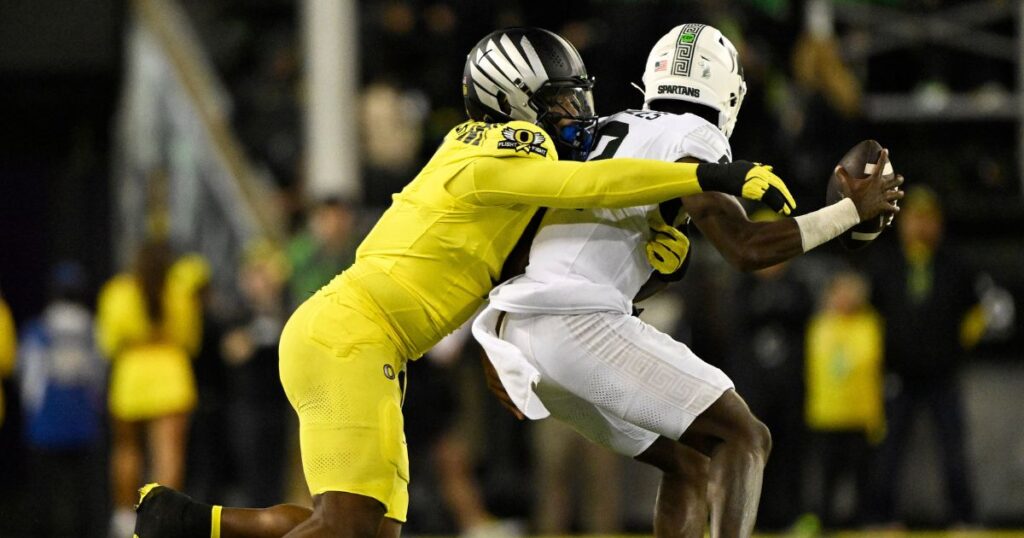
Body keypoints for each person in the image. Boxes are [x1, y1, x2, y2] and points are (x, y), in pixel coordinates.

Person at [134, 26, 798, 538]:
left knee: (364, 527)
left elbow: (535, 259)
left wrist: (655, 246)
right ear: (514, 100)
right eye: (559, 97)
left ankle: (199, 525)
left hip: (353, 338)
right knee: (348, 530)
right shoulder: (503, 148)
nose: (576, 109)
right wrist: (707, 176)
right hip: (354, 337)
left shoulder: (495, 161)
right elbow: (586, 181)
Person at [472, 23, 903, 538]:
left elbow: (555, 246)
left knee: (690, 461)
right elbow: (745, 249)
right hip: (576, 322)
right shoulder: (693, 136)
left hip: (519, 327)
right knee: (744, 436)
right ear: (729, 92)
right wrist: (848, 212)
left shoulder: (608, 123)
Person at [867, 186, 979, 526]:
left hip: (942, 373)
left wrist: (957, 349)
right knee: (889, 449)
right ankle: (882, 516)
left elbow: (976, 314)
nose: (921, 226)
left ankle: (963, 517)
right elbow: (873, 317)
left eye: (928, 219)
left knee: (953, 448)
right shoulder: (887, 265)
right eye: (915, 218)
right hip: (898, 373)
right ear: (901, 224)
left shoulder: (955, 266)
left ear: (939, 224)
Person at [97, 240, 209, 537]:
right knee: (168, 455)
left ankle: (123, 519)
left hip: (131, 375)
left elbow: (108, 341)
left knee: (126, 450)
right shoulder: (180, 293)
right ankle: (165, 521)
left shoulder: (117, 291)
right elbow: (191, 340)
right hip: (171, 375)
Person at [17, 261, 107, 537]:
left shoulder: (39, 329)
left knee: (43, 492)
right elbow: (99, 376)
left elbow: (30, 380)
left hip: (46, 422)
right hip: (82, 422)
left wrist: (32, 413)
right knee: (83, 492)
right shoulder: (93, 330)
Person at [804, 270, 884, 528]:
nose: (845, 298)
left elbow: (869, 365)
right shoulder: (820, 326)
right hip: (826, 414)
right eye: (839, 292)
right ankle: (824, 521)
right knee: (827, 476)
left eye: (850, 292)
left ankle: (864, 521)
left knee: (863, 476)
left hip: (860, 415)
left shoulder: (869, 325)